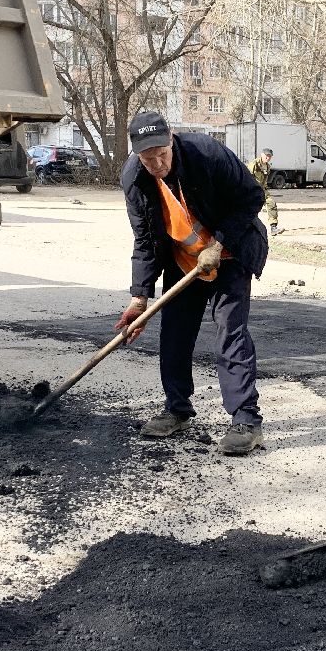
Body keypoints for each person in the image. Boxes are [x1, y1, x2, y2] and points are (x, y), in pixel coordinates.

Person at [116, 111, 270, 456]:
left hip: (229, 255)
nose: (157, 163)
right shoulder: (135, 179)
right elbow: (146, 242)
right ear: (136, 154)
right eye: (147, 157)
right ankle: (177, 410)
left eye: (162, 154)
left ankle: (246, 420)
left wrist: (218, 244)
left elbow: (251, 198)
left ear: (171, 140)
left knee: (230, 333)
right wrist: (139, 299)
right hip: (183, 261)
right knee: (174, 331)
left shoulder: (206, 153)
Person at [249, 147, 281, 235]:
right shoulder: (254, 164)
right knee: (252, 209)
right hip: (252, 190)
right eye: (266, 156)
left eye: (270, 156)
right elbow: (247, 177)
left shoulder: (267, 166)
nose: (268, 158)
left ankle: (273, 227)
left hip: (262, 190)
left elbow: (264, 180)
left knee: (271, 203)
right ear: (262, 155)